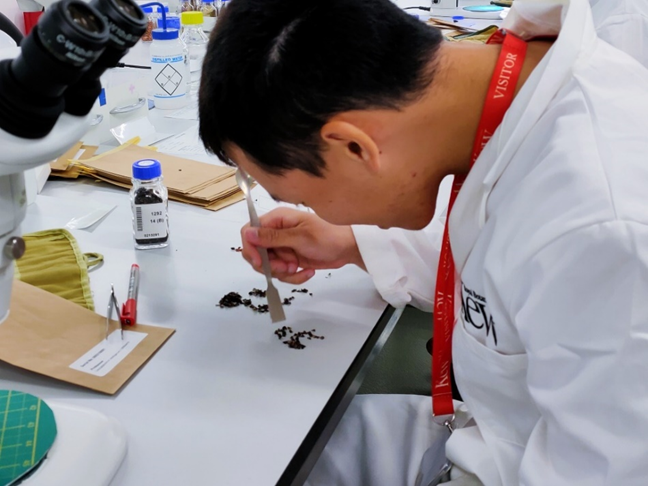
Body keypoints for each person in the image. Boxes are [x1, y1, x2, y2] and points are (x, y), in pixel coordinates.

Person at [198, 0, 648, 484]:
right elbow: (515, 262)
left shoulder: (600, 227)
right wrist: (351, 242)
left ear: (355, 147)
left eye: (298, 197)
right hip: (494, 437)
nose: (315, 212)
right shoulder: (518, 92)